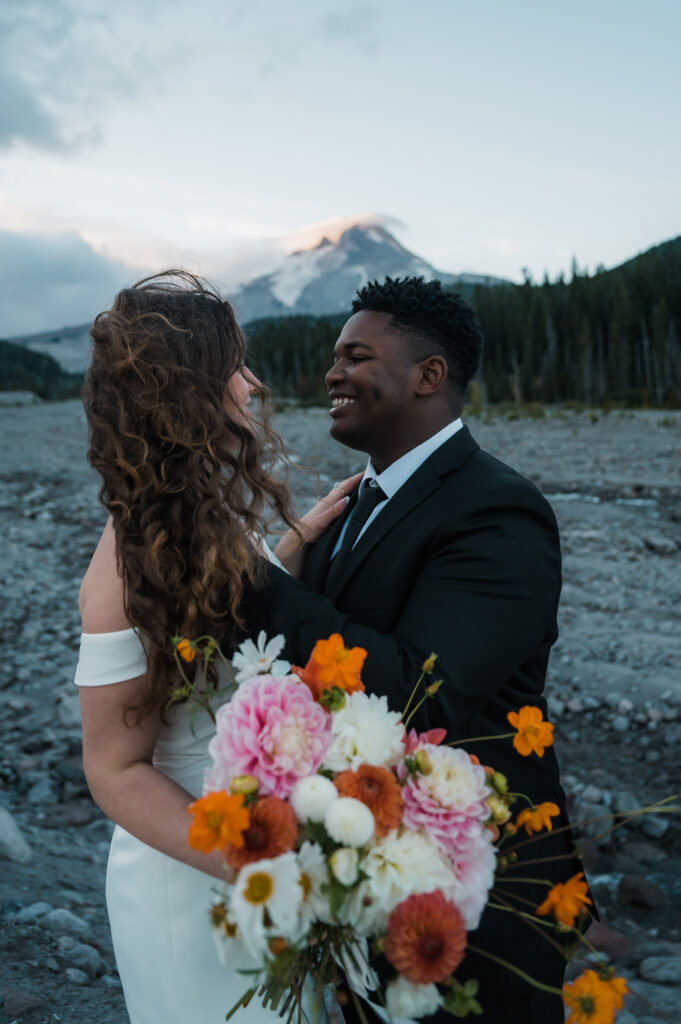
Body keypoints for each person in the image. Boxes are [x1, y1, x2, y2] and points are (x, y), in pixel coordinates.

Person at [238, 276, 579, 1024]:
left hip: (478, 888)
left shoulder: (497, 510)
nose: (331, 373)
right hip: (370, 866)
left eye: (355, 356)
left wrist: (258, 582)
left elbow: (421, 687)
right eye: (333, 356)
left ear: (427, 376)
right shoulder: (353, 501)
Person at [74, 270, 357, 1024]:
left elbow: (219, 616)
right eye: (233, 366)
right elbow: (113, 770)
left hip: (244, 865)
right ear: (188, 390)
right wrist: (260, 863)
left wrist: (288, 545)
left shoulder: (193, 522)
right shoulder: (124, 568)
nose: (252, 384)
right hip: (192, 880)